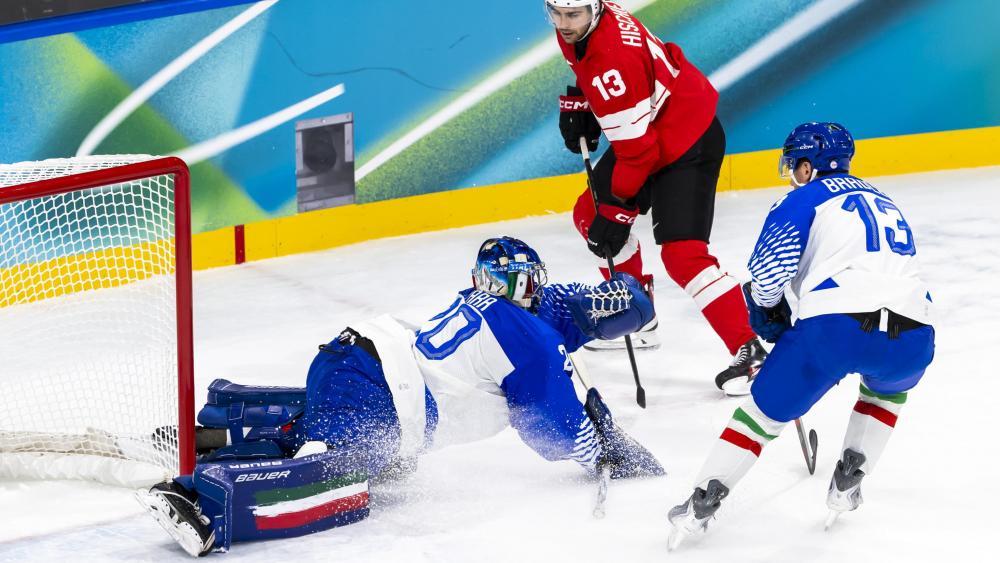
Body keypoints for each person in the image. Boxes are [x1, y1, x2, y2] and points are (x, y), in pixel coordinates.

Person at [136, 236, 664, 557]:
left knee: (352, 444)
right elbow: (547, 421)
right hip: (380, 393)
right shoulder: (530, 335)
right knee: (339, 475)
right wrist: (602, 446)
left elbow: (559, 308)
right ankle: (197, 497)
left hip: (356, 362)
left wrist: (619, 308)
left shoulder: (497, 308)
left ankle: (218, 423)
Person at [666, 122, 936, 549]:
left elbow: (766, 275)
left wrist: (769, 314)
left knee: (760, 417)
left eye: (795, 164)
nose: (791, 171)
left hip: (834, 329)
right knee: (885, 393)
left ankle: (703, 500)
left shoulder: (804, 198)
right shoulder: (885, 200)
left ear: (809, 167)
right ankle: (850, 479)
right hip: (915, 334)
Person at [546, 0, 763, 394]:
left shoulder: (613, 60)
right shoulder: (590, 22)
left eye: (573, 15)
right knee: (587, 213)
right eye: (555, 13)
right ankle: (636, 312)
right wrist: (583, 100)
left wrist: (617, 213)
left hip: (687, 140)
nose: (563, 23)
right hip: (654, 127)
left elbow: (638, 153)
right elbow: (599, 74)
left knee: (683, 255)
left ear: (595, 10)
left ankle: (751, 350)